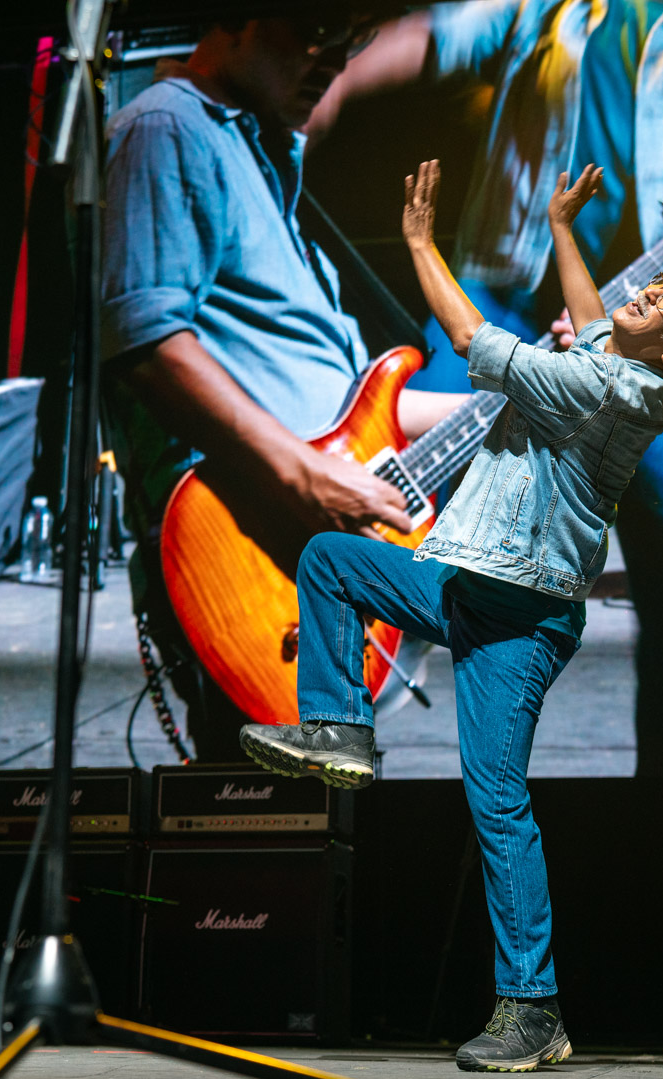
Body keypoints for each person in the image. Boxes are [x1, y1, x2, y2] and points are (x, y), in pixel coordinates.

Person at [241, 159, 663, 1072]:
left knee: (498, 807)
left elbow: (474, 338)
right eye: (660, 286)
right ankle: (342, 731)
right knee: (331, 559)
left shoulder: (615, 390)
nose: (651, 291)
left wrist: (422, 245)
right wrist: (560, 226)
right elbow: (595, 316)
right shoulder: (609, 360)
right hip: (470, 584)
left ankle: (532, 1010)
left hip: (520, 619)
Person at [307, 0, 663, 774]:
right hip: (509, 296)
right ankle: (319, 712)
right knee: (381, 463)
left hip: (644, 343)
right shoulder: (541, 8)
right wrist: (344, 79)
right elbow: (431, 36)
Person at [100, 11, 467, 761]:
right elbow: (148, 344)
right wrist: (303, 478)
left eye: (353, 41)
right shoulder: (167, 129)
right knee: (258, 832)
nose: (335, 60)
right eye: (316, 30)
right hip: (242, 540)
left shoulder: (262, 155)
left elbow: (360, 411)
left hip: (298, 541)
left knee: (306, 837)